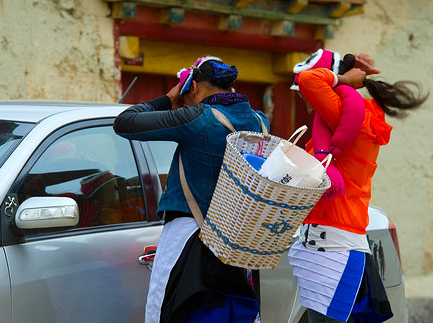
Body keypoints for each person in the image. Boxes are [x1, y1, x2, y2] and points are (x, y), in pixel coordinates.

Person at [113, 56, 270, 323]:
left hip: (190, 236)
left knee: (172, 310)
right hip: (239, 240)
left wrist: (168, 99)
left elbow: (125, 122)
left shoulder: (197, 117)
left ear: (193, 86)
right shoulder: (259, 120)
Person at [288, 49, 429, 323]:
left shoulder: (346, 114)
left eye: (303, 96)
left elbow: (309, 81)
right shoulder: (347, 117)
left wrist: (341, 78)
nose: (304, 99)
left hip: (331, 247)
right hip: (335, 241)